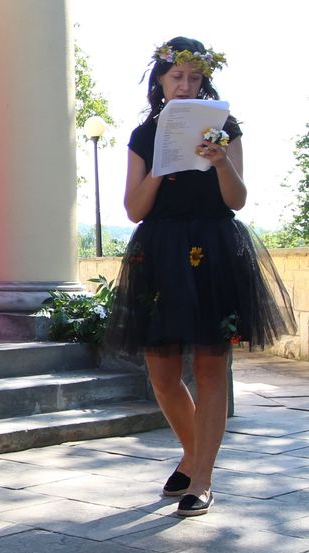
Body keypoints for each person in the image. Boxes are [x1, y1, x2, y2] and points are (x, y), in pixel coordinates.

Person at [106, 37, 295, 517]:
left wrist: (220, 161)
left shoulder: (225, 129)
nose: (186, 86)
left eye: (194, 77)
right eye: (177, 77)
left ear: (205, 80)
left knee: (211, 369)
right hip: (160, 252)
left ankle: (202, 479)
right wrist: (159, 171)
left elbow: (236, 199)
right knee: (163, 374)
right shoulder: (144, 135)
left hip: (213, 249)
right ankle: (193, 458)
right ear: (161, 82)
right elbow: (132, 209)